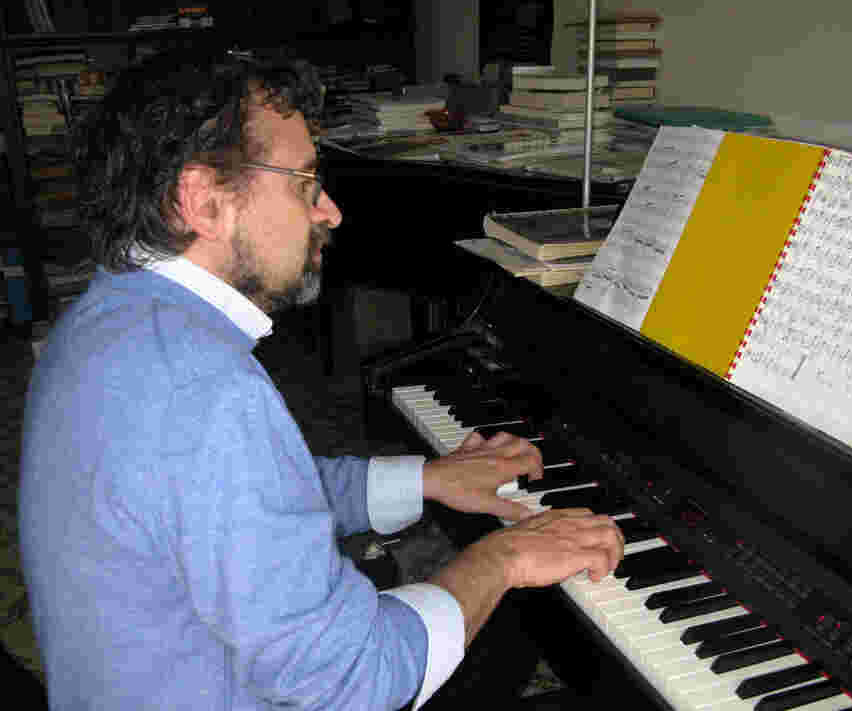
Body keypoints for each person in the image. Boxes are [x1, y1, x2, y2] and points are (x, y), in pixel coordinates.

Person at [18, 48, 624, 711]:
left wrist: (427, 480)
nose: (329, 211)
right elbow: (355, 681)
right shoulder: (206, 393)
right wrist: (504, 557)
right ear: (204, 202)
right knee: (510, 626)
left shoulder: (103, 320)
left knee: (498, 634)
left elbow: (258, 500)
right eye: (305, 183)